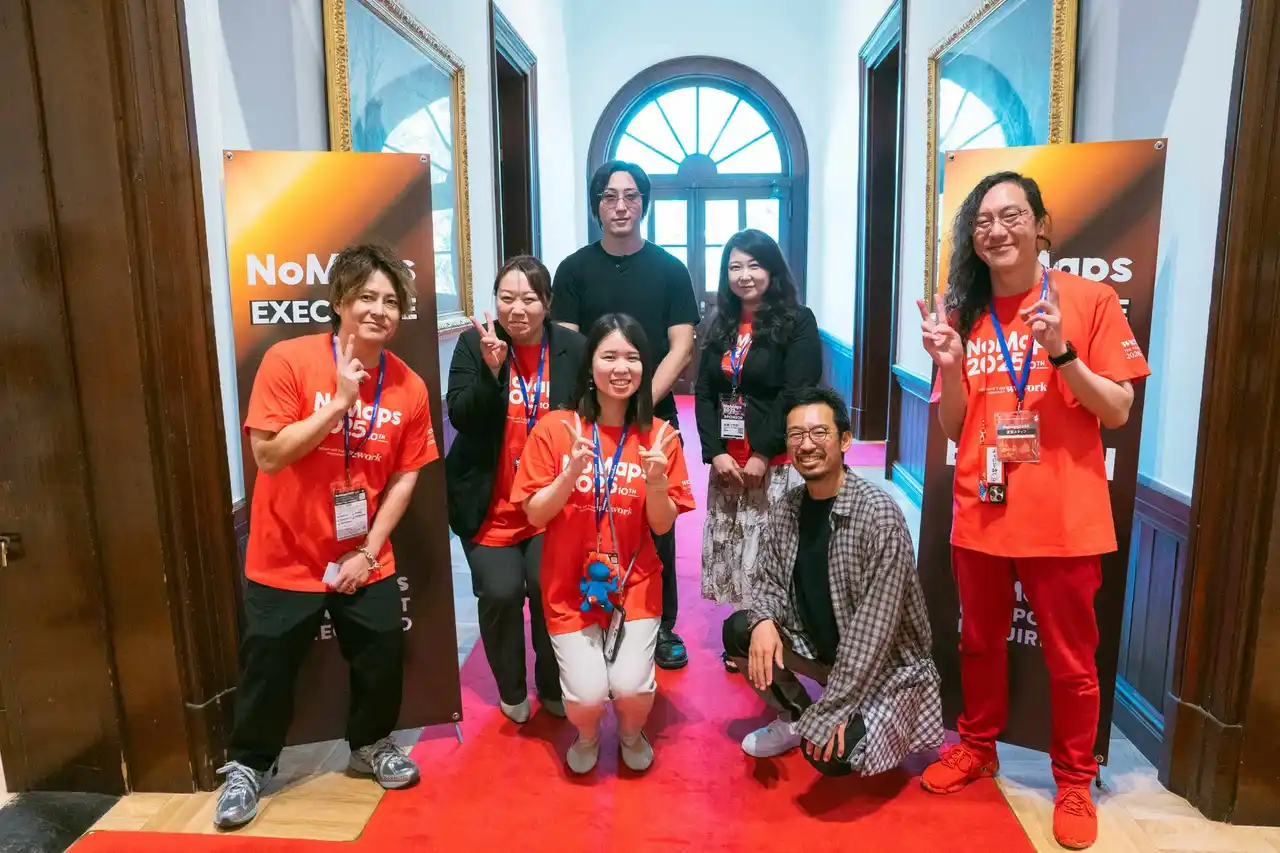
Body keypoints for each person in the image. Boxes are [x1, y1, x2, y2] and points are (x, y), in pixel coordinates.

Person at [917, 171, 1150, 850]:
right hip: (982, 510)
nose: (997, 230)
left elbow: (1118, 408)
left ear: (1041, 226)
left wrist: (1062, 353)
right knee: (978, 642)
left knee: (1072, 660)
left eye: (1011, 215)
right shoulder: (965, 313)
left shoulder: (1088, 299)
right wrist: (951, 363)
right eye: (983, 220)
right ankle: (977, 746)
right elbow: (955, 427)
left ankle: (1074, 778)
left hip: (1064, 518)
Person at [214, 244, 437, 829]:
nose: (379, 310)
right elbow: (268, 455)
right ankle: (249, 765)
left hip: (363, 552)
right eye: (366, 297)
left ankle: (370, 744)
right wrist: (338, 404)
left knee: (381, 651)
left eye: (391, 301)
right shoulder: (288, 361)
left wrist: (368, 551)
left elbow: (406, 475)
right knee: (268, 666)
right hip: (284, 553)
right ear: (340, 301)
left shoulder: (408, 386)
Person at [723, 386, 943, 777]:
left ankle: (852, 717)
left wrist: (835, 707)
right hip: (823, 652)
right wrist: (763, 621)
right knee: (740, 629)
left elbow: (871, 636)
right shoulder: (789, 507)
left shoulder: (878, 516)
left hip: (882, 670)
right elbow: (768, 580)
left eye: (818, 433)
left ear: (844, 440)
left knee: (830, 755)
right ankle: (795, 716)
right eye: (796, 435)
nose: (806, 445)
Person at [511, 314, 695, 774]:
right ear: (590, 365)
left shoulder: (659, 436)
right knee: (588, 696)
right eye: (609, 356)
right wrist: (570, 474)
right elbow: (535, 515)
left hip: (634, 584)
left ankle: (631, 732)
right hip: (568, 586)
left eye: (632, 358)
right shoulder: (556, 429)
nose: (621, 368)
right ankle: (588, 734)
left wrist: (657, 482)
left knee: (632, 689)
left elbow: (662, 525)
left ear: (645, 367)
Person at [551, 160, 700, 671]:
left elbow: (681, 346)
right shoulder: (573, 270)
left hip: (651, 417)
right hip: (590, 419)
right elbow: (569, 346)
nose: (621, 206)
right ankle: (592, 608)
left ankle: (663, 626)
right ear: (596, 205)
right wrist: (600, 406)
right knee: (590, 514)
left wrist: (639, 402)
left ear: (644, 204)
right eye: (610, 196)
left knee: (658, 518)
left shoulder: (670, 270)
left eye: (631, 196)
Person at [445, 256, 586, 723]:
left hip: (550, 505)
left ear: (547, 302)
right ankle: (510, 687)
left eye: (529, 298)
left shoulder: (572, 348)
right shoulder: (474, 344)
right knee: (502, 593)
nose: (517, 309)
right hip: (490, 505)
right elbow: (461, 416)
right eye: (506, 298)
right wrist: (490, 372)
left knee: (548, 591)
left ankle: (552, 683)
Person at [695, 229, 821, 672]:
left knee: (770, 551)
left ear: (772, 270)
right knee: (736, 551)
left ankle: (776, 636)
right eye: (735, 266)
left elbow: (797, 390)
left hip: (777, 463)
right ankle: (742, 636)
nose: (744, 275)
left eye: (754, 265)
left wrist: (763, 452)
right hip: (729, 464)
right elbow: (705, 391)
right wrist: (715, 452)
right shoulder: (721, 324)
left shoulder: (797, 321)